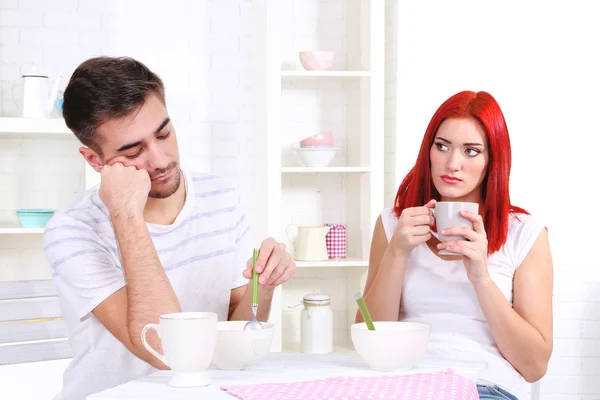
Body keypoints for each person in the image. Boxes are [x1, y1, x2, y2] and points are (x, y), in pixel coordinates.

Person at [43, 56, 296, 400]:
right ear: (94, 160)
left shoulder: (222, 197)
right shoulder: (72, 230)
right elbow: (166, 351)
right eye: (133, 151)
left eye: (163, 133)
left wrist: (263, 285)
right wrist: (125, 214)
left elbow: (234, 336)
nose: (160, 160)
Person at [356, 91, 553, 400]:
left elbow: (534, 365)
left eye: (471, 151)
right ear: (429, 151)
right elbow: (370, 337)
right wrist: (397, 252)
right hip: (403, 386)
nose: (452, 163)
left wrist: (481, 278)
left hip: (484, 387)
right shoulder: (394, 224)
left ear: (492, 161)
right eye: (442, 146)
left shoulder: (524, 233)